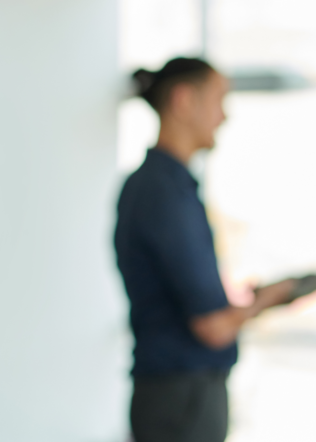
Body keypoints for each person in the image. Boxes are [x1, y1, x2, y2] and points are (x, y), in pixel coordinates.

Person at [114, 57, 296, 442]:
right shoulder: (164, 192)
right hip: (182, 400)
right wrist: (271, 299)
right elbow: (212, 327)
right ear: (183, 100)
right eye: (218, 100)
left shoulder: (155, 186)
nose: (223, 117)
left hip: (172, 393)